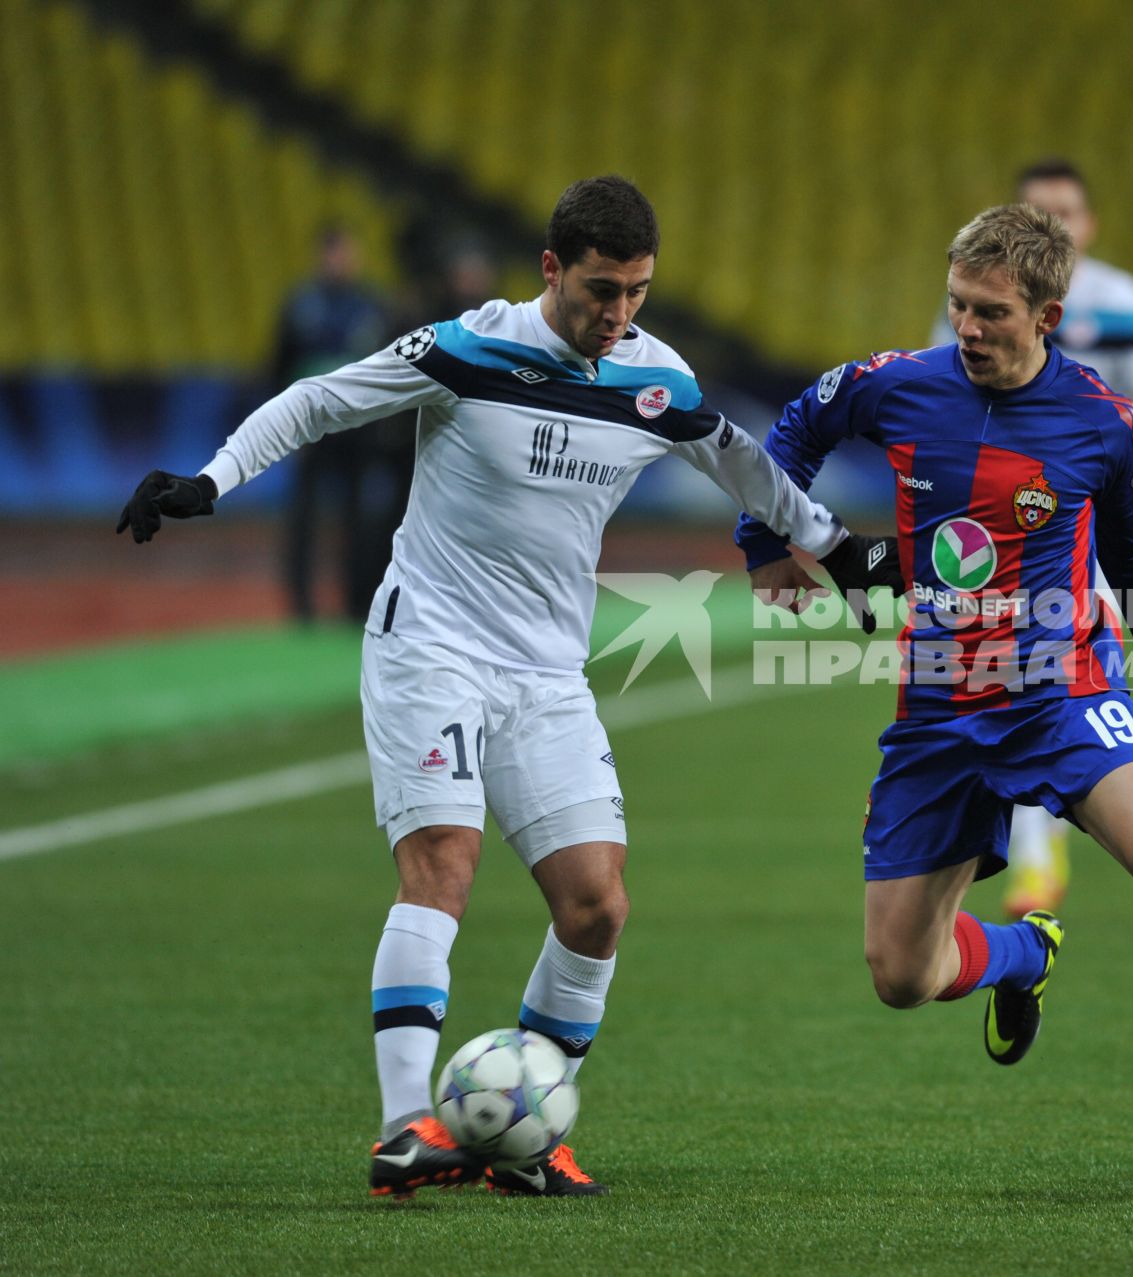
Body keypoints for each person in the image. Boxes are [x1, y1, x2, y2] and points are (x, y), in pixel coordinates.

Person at [116, 176, 894, 1199]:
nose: (618, 314)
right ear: (551, 270)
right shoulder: (465, 348)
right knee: (444, 861)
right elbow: (319, 399)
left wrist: (833, 548)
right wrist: (212, 479)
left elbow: (738, 460)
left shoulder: (653, 375)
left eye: (639, 292)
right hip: (428, 641)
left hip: (546, 670)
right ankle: (405, 1130)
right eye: (601, 290)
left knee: (597, 906)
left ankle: (523, 1135)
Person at [741, 203, 1133, 1144]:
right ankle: (1023, 953)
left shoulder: (1101, 420)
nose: (968, 329)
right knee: (901, 976)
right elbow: (790, 433)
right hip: (938, 713)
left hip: (1064, 695)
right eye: (958, 306)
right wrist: (764, 542)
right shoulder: (897, 385)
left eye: (991, 313)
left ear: (1048, 316)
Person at [931, 158, 1133, 919]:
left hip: (1081, 524)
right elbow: (938, 395)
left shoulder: (1120, 302)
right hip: (991, 532)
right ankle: (1028, 842)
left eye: (1067, 211)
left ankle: (1037, 858)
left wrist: (1085, 422)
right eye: (1036, 208)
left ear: (1088, 225)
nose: (1055, 221)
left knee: (1045, 677)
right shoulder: (977, 294)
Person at [271, 226, 395, 620]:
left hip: (358, 431)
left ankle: (356, 602)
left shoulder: (372, 307)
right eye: (334, 253)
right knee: (304, 518)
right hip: (310, 428)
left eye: (346, 253)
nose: (340, 261)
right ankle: (302, 606)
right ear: (321, 257)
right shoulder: (300, 306)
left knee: (359, 517)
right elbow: (279, 366)